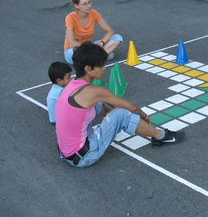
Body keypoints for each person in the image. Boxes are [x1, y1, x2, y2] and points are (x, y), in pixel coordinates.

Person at [55, 43, 185, 168]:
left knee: (102, 105)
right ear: (88, 69)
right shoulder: (95, 91)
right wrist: (143, 115)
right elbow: (132, 107)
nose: (104, 68)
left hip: (67, 153)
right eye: (101, 65)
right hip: (84, 157)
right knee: (122, 113)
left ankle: (126, 123)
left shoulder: (71, 85)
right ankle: (161, 136)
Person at [63, 0, 123, 64]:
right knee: (72, 54)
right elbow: (72, 42)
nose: (89, 6)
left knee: (118, 38)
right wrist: (92, 47)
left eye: (89, 2)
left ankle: (94, 58)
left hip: (90, 48)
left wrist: (102, 42)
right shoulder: (70, 17)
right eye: (85, 4)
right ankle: (100, 56)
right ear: (77, 6)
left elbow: (110, 31)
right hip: (74, 49)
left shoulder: (93, 13)